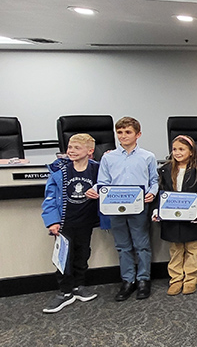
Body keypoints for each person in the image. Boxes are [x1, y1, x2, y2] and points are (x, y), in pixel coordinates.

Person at [86, 117, 158, 302]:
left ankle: (143, 279)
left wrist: (152, 193)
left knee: (141, 244)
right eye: (120, 132)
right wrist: (94, 190)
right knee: (122, 246)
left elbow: (154, 181)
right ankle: (128, 280)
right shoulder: (108, 157)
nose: (123, 136)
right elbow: (103, 182)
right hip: (115, 208)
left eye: (128, 132)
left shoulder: (147, 156)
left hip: (139, 206)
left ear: (138, 134)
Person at [41, 134, 108, 313]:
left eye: (76, 148)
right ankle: (65, 292)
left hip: (85, 222)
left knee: (82, 253)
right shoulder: (60, 171)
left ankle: (79, 285)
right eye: (70, 147)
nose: (71, 151)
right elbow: (49, 198)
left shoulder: (97, 170)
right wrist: (52, 221)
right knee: (64, 258)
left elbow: (108, 186)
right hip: (65, 223)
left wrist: (100, 192)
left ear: (90, 151)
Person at [153, 135, 197, 296]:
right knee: (175, 250)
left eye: (182, 149)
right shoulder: (165, 169)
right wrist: (157, 210)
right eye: (175, 149)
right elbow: (160, 192)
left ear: (191, 152)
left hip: (192, 217)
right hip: (172, 218)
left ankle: (191, 279)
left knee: (193, 250)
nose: (177, 153)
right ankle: (176, 279)